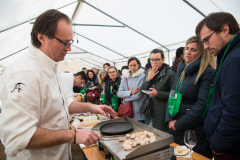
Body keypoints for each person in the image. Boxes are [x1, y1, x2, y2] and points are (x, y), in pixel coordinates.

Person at [0, 9, 116, 160]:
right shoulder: (24, 73)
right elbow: (19, 135)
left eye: (70, 42)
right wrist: (73, 135)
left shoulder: (52, 66)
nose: (69, 48)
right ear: (41, 37)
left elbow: (63, 103)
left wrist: (92, 107)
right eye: (64, 43)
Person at [195, 12, 240, 160]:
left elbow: (234, 111)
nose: (206, 46)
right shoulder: (228, 55)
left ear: (225, 30)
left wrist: (218, 145)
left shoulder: (234, 59)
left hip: (229, 149)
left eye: (207, 40)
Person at [165, 36, 216, 158]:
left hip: (194, 131)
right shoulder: (182, 69)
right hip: (175, 127)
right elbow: (172, 94)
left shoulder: (207, 72)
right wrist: (169, 118)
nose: (188, 52)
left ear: (201, 52)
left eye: (193, 50)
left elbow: (202, 106)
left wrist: (178, 124)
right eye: (187, 48)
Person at [140, 49, 175, 131]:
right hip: (149, 111)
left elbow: (174, 95)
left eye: (157, 59)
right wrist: (148, 79)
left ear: (163, 60)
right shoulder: (148, 71)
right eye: (152, 60)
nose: (154, 62)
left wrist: (158, 94)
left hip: (162, 114)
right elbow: (142, 91)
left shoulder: (170, 74)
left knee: (161, 137)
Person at [118, 57, 145, 122]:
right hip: (127, 110)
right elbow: (119, 93)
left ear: (138, 65)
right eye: (131, 65)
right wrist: (131, 92)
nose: (133, 67)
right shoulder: (125, 77)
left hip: (138, 110)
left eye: (134, 65)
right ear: (128, 66)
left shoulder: (142, 76)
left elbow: (138, 95)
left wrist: (125, 97)